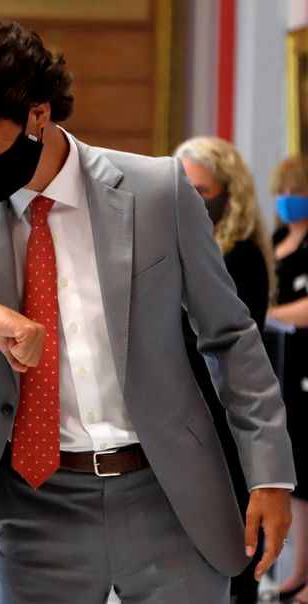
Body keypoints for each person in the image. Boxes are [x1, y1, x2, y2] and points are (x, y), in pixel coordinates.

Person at [0, 18, 295, 604]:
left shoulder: (157, 190)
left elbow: (231, 336)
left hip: (171, 497)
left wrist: (270, 475)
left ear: (37, 113)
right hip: (36, 505)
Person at [175, 136, 275, 604]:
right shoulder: (185, 245)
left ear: (228, 194)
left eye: (203, 191)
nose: (192, 200)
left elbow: (230, 348)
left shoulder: (241, 256)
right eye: (185, 189)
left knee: (237, 546)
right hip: (189, 414)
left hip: (223, 418)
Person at [267, 156, 308, 603]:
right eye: (281, 191)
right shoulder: (278, 238)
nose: (286, 200)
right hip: (280, 366)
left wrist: (267, 314)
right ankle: (298, 570)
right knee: (296, 479)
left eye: (294, 191)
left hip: (305, 369)